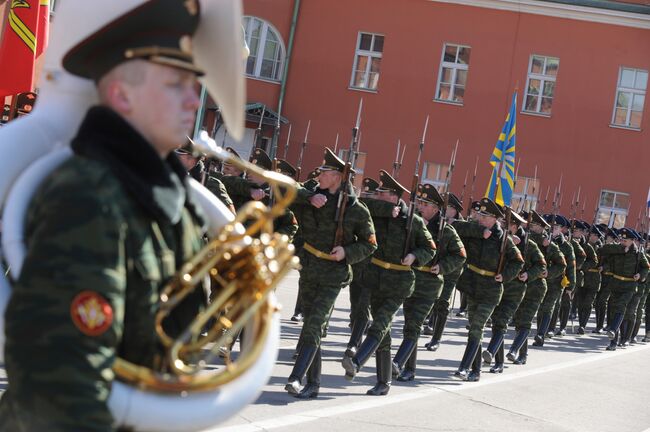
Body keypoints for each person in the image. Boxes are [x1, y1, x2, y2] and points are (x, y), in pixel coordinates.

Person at [0, 1, 221, 429]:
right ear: (121, 95)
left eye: (196, 84)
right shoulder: (90, 195)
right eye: (177, 84)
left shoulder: (164, 192)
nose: (195, 100)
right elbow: (61, 390)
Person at [285, 148, 376, 399]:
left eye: (325, 172)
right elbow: (283, 190)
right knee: (309, 328)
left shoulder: (356, 209)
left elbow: (369, 244)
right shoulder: (313, 194)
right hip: (309, 269)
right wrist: (307, 198)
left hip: (333, 274)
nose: (320, 175)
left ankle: (295, 377)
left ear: (337, 176)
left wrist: (347, 252)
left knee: (315, 324)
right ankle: (313, 384)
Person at [342, 170, 435, 395]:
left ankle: (357, 361)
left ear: (393, 196)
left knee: (380, 323)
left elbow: (430, 248)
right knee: (383, 334)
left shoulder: (413, 220)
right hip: (375, 279)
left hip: (399, 281)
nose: (377, 196)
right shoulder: (376, 212)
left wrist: (414, 256)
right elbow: (359, 203)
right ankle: (384, 382)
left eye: (382, 194)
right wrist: (386, 210)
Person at [393, 184, 465, 381]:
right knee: (409, 324)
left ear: (435, 208)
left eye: (425, 204)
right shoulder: (413, 224)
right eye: (421, 203)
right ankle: (410, 369)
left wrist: (442, 267)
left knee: (415, 324)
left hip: (430, 284)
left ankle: (398, 362)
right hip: (411, 278)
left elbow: (460, 256)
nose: (421, 206)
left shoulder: (446, 230)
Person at [452, 198, 524, 381]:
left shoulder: (504, 239)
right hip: (473, 285)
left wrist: (505, 275)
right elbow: (455, 227)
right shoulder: (473, 230)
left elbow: (517, 262)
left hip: (491, 289)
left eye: (484, 216)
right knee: (473, 328)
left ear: (495, 219)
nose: (480, 218)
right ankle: (475, 371)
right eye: (480, 214)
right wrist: (479, 230)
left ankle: (464, 367)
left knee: (477, 326)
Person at [482, 208, 545, 373]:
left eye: (506, 223)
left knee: (506, 321)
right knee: (497, 322)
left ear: (515, 226)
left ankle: (495, 351)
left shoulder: (529, 245)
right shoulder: (501, 239)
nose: (502, 225)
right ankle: (499, 362)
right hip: (500, 285)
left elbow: (541, 265)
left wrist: (528, 274)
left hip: (516, 288)